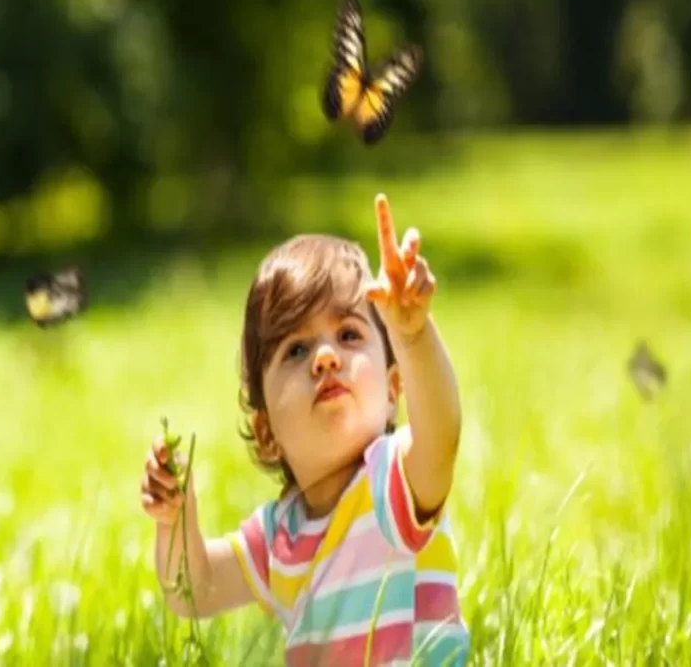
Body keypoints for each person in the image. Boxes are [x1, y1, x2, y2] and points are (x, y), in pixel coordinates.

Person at [140, 193, 469, 665]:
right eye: (296, 350)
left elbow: (442, 437)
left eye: (349, 334)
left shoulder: (392, 482)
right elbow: (195, 590)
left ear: (395, 389)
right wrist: (176, 520)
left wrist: (413, 336)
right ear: (268, 431)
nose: (326, 357)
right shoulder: (280, 536)